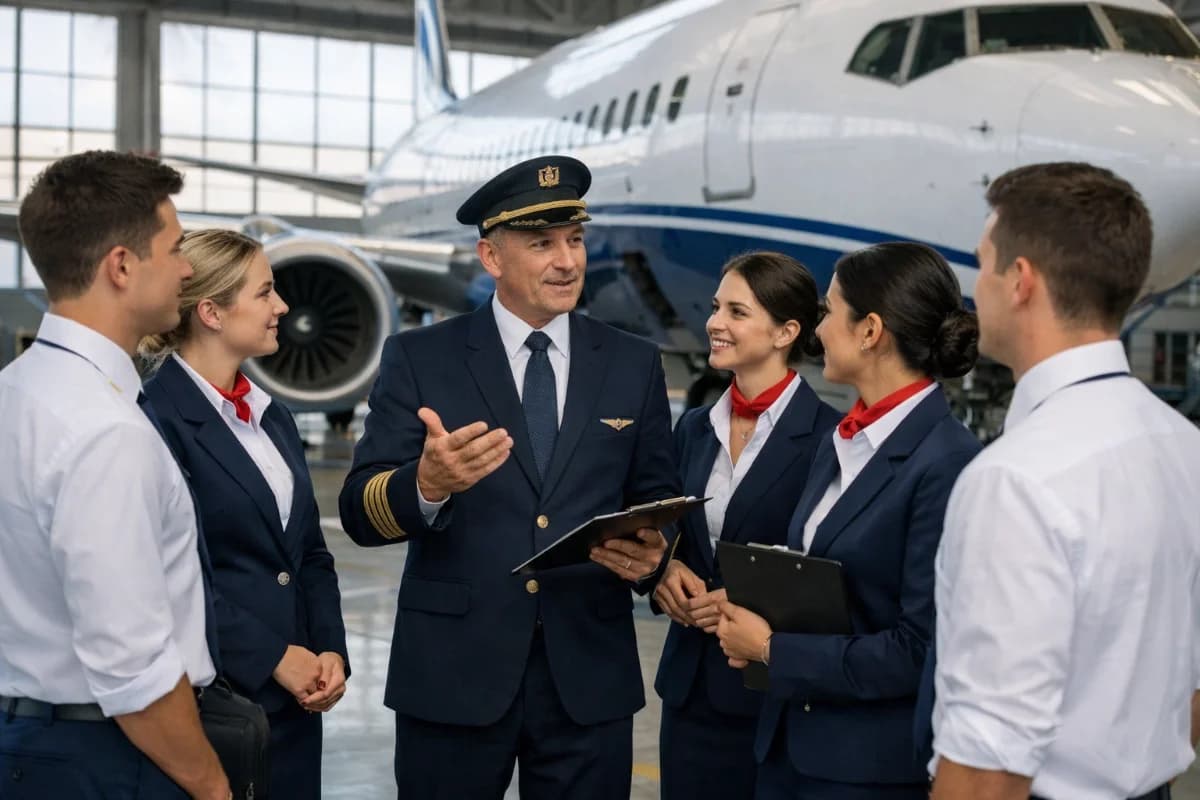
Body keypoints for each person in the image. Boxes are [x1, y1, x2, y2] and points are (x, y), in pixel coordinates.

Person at [337, 155, 680, 799]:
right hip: (453, 676)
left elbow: (655, 503)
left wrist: (655, 559)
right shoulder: (421, 358)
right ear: (491, 258)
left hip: (588, 677)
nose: (567, 261)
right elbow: (359, 511)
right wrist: (427, 483)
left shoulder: (633, 364)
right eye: (542, 243)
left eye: (575, 240)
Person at [929, 163, 1200, 800]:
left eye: (985, 263)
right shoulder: (1184, 446)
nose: (978, 287)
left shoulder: (1014, 480)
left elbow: (988, 768)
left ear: (1020, 281)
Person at [0, 151, 230, 799]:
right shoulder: (105, 430)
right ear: (122, 267)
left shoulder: (16, 391)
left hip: (34, 738)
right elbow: (130, 665)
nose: (188, 268)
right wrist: (211, 786)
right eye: (176, 247)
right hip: (111, 753)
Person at [716, 241, 982, 799]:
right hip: (791, 746)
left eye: (830, 310)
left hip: (865, 771)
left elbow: (919, 649)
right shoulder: (846, 438)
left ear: (870, 331)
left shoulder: (946, 461)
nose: (819, 328)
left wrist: (773, 650)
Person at [139, 229, 350, 800]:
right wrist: (272, 657)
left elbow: (308, 552)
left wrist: (330, 651)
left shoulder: (272, 415)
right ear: (210, 311)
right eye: (265, 292)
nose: (282, 306)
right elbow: (166, 574)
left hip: (298, 703)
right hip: (217, 704)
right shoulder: (154, 419)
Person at [652, 251, 841, 799]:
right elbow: (669, 528)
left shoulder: (829, 439)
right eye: (716, 308)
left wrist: (749, 596)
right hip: (689, 690)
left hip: (770, 692)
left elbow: (833, 565)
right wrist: (664, 573)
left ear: (786, 331)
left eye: (737, 312)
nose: (714, 322)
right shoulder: (692, 428)